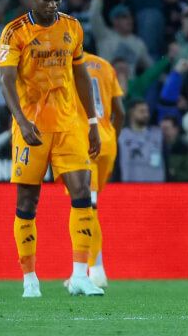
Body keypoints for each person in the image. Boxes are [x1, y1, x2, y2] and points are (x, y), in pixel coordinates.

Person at [0, 0, 104, 298]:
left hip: (68, 124)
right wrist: (21, 121)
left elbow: (82, 75)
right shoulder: (14, 32)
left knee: (82, 192)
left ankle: (80, 276)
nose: (53, 5)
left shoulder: (72, 27)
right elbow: (6, 79)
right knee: (28, 201)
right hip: (31, 127)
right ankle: (30, 278)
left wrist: (92, 122)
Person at [68, 52, 125, 290]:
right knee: (91, 206)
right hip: (107, 144)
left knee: (86, 208)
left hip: (84, 142)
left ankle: (95, 271)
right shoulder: (105, 65)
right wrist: (112, 138)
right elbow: (120, 112)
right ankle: (92, 269)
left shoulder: (66, 64)